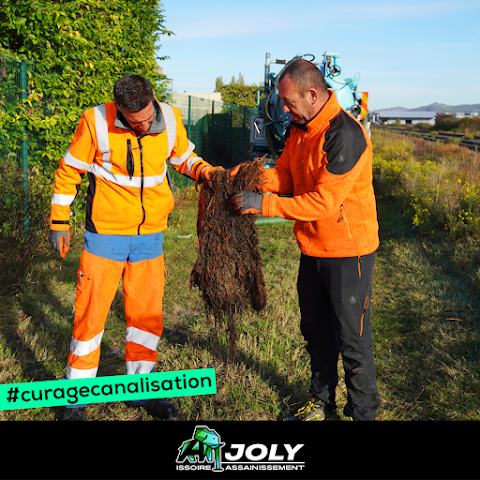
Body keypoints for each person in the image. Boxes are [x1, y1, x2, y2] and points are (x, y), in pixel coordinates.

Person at [49, 74, 221, 421]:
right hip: (104, 235)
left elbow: (184, 157)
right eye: (133, 122)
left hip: (150, 236)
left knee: (145, 317)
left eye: (145, 119)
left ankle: (141, 390)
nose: (142, 126)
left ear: (153, 99)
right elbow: (70, 171)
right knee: (91, 316)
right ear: (119, 110)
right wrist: (58, 221)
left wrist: (208, 173)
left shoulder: (171, 118)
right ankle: (74, 400)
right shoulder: (95, 121)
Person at [231, 60, 380, 421]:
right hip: (312, 248)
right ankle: (321, 405)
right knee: (315, 329)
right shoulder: (300, 126)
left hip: (348, 251)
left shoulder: (344, 133)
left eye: (288, 101)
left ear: (312, 94)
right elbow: (286, 175)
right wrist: (248, 177)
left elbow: (323, 202)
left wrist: (262, 204)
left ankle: (363, 413)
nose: (283, 108)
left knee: (352, 339)